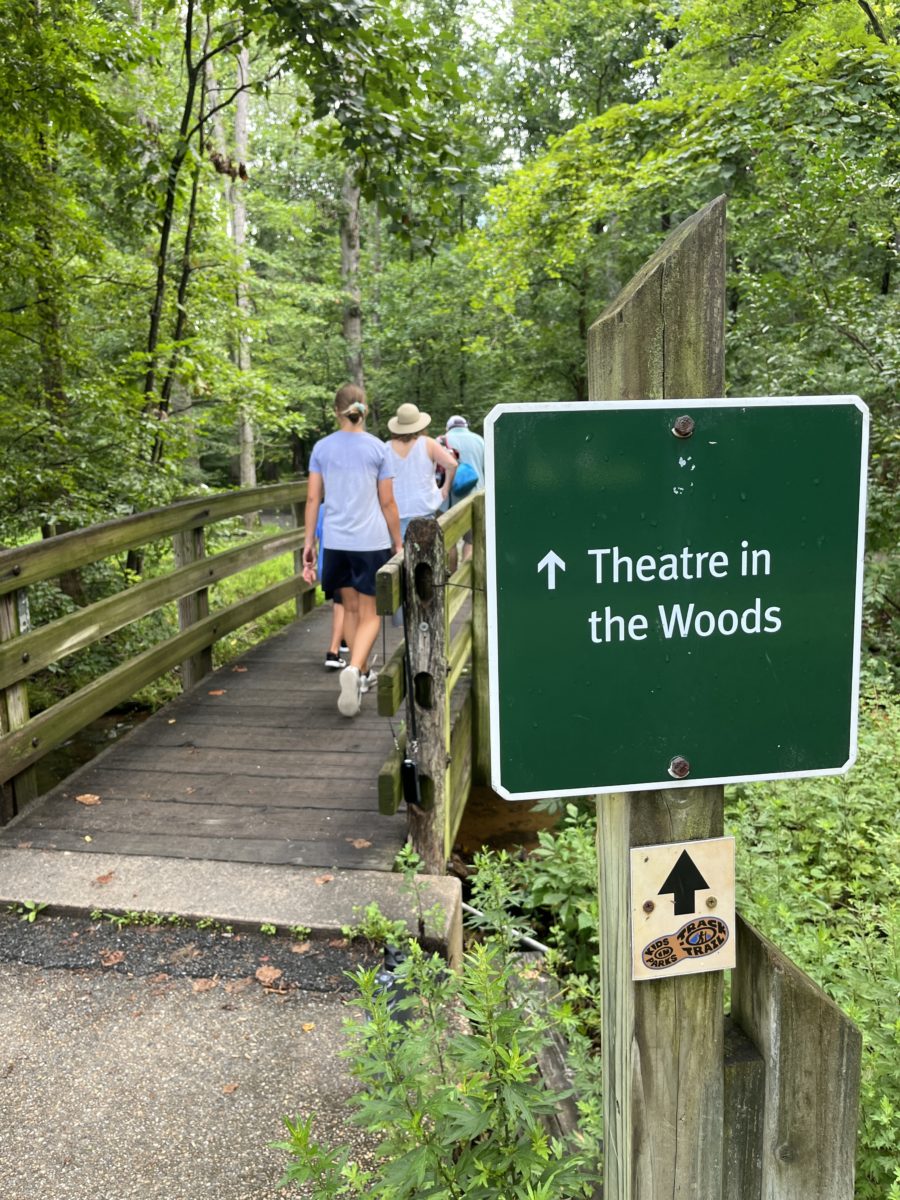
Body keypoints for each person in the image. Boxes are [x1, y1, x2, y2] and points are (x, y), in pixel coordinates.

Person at [302, 384, 402, 718]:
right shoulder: (378, 448)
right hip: (370, 541)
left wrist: (308, 544)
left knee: (348, 607)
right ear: (365, 410)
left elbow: (314, 498)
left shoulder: (321, 448)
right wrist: (397, 541)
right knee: (373, 613)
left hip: (336, 541)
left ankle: (357, 670)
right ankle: (356, 670)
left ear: (336, 411)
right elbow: (386, 500)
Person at [385, 403, 458, 537]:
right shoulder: (428, 443)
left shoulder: (386, 448)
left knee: (398, 556)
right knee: (424, 556)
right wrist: (445, 489)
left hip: (395, 513)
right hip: (424, 510)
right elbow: (452, 464)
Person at [444, 414, 486, 561]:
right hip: (475, 499)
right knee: (471, 541)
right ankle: (469, 582)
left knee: (449, 543)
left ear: (448, 428)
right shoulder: (479, 441)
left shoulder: (442, 441)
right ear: (465, 426)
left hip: (448, 502)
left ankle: (451, 580)